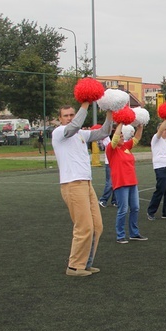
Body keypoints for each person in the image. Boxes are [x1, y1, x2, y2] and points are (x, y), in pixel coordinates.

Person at [51, 102, 112, 277]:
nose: (70, 118)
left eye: (72, 114)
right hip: (72, 184)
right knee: (84, 226)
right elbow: (75, 125)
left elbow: (104, 132)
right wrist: (85, 104)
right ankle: (74, 266)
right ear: (60, 119)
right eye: (66, 115)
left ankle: (86, 263)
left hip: (86, 183)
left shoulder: (81, 134)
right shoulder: (59, 133)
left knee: (97, 226)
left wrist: (109, 112)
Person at [107, 122, 146, 244]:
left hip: (132, 182)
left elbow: (137, 138)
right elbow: (115, 138)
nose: (123, 138)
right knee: (123, 209)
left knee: (135, 208)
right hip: (121, 183)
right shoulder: (111, 149)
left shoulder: (126, 147)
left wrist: (140, 126)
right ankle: (120, 235)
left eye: (123, 136)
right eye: (121, 136)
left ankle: (134, 233)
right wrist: (120, 123)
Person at [98, 132, 117, 208]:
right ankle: (103, 199)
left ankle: (114, 200)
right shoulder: (106, 137)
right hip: (109, 162)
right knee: (110, 183)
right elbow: (103, 147)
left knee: (116, 182)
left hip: (116, 162)